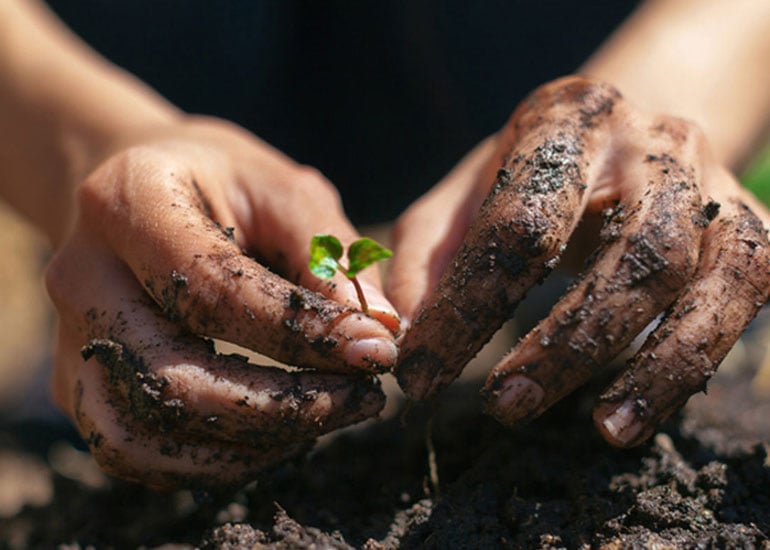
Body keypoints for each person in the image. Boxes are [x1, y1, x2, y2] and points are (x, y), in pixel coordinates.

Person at [1, 0, 769, 489]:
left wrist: (668, 97)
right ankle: (133, 287)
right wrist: (84, 144)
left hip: (526, 48)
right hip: (150, 57)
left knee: (585, 347)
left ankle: (584, 299)